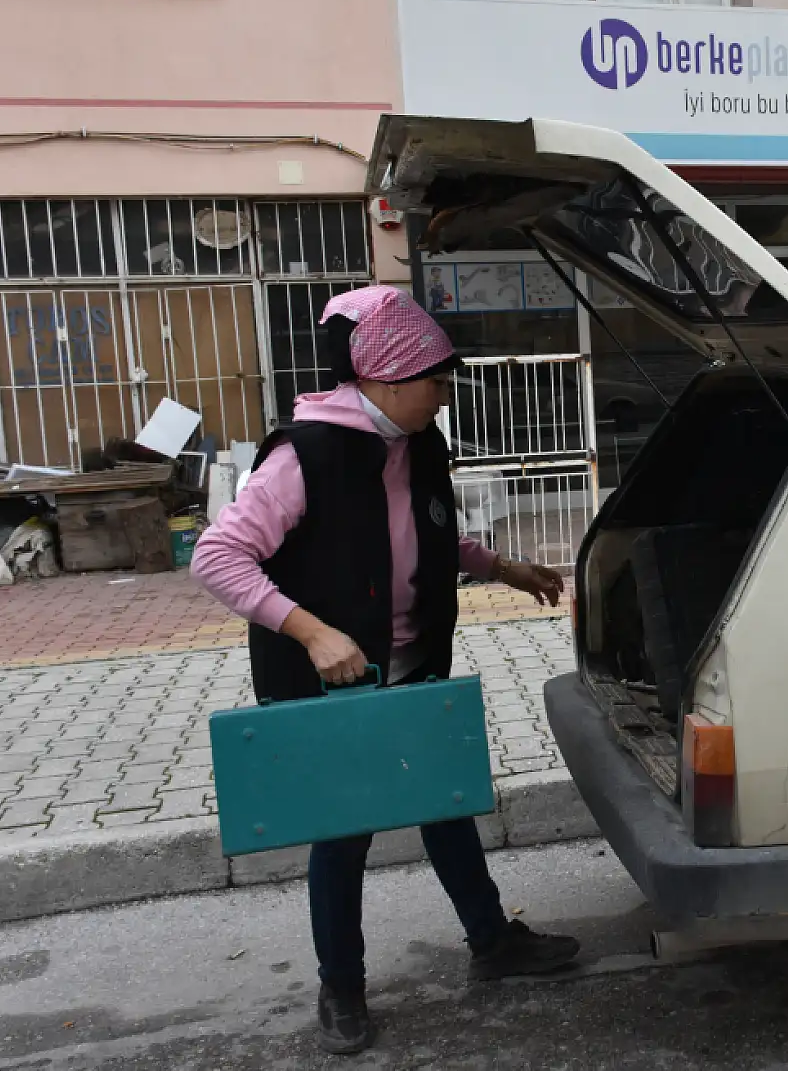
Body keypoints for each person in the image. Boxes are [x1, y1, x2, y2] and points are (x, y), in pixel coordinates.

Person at [191, 286, 578, 1055]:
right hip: (336, 682)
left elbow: (424, 536)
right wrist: (311, 632)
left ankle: (493, 943)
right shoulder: (303, 457)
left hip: (413, 663)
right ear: (390, 379)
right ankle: (341, 987)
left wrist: (500, 564)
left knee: (445, 804)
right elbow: (217, 555)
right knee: (344, 834)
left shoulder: (415, 443)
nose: (444, 395)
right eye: (436, 382)